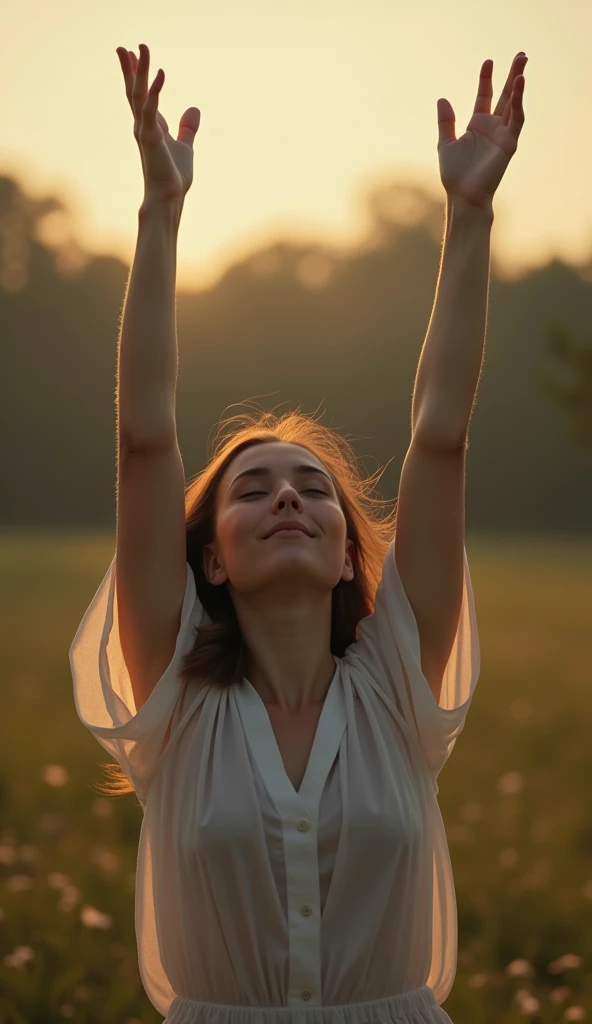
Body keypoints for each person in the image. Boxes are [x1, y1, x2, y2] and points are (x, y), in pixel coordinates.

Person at [70, 42, 526, 1023]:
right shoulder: (175, 701)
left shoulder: (398, 689)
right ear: (210, 560)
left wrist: (471, 217)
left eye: (313, 488)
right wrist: (158, 213)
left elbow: (437, 437)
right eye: (252, 490)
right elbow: (145, 439)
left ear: (349, 549)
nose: (285, 497)